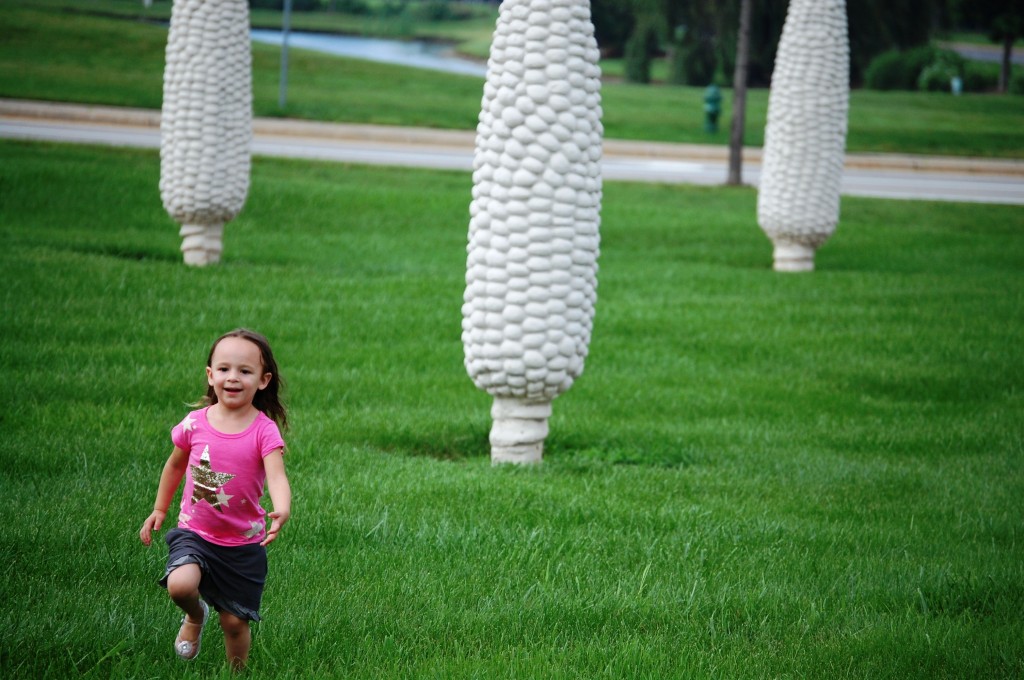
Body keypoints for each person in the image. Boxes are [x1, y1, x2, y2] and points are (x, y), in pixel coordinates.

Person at [139, 329, 292, 670]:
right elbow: (175, 465)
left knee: (235, 623)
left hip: (242, 545)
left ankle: (236, 672)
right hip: (195, 532)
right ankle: (195, 616)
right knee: (180, 585)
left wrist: (281, 509)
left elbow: (277, 475)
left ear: (263, 380)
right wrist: (159, 509)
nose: (232, 378)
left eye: (245, 371)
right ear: (210, 375)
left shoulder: (263, 429)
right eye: (223, 369)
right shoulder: (195, 424)